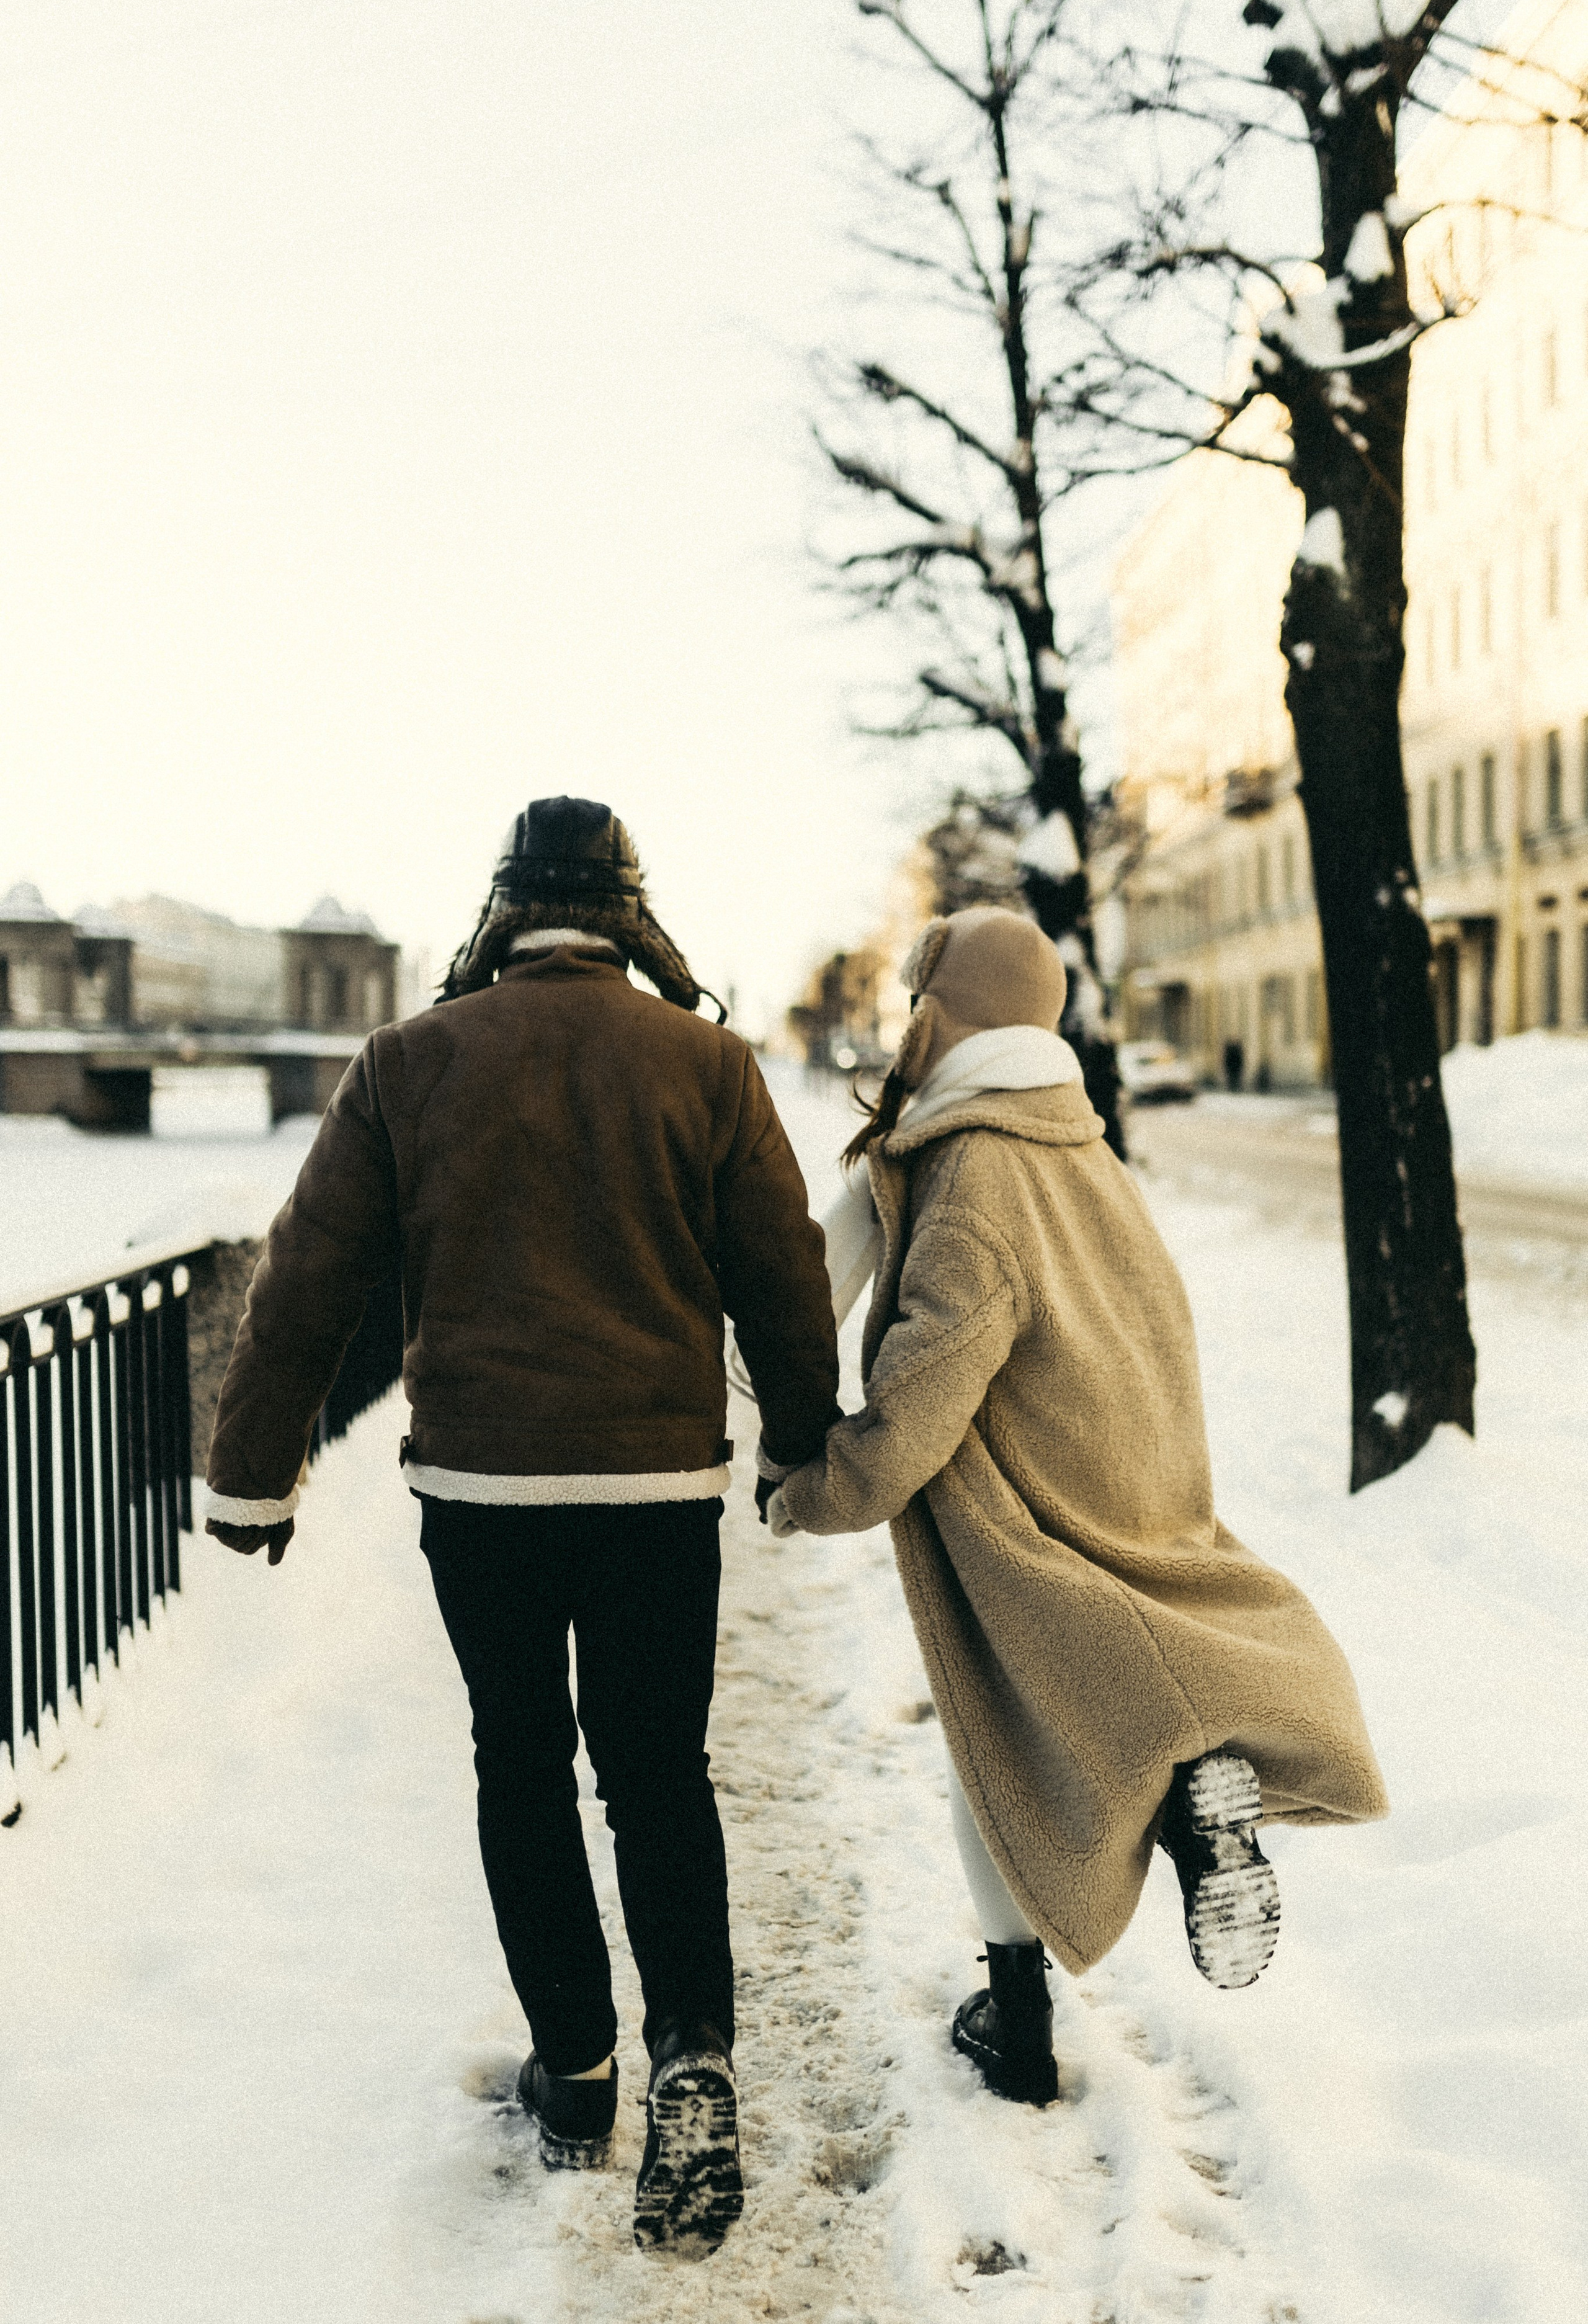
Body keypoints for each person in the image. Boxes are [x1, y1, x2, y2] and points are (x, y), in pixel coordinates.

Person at [202, 796, 841, 2256]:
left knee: (522, 1765)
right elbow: (782, 1274)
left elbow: (307, 1282)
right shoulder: (709, 1064)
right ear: (627, 914)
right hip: (652, 1488)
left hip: (482, 1492)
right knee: (658, 1774)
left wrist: (253, 1475)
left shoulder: (406, 1064)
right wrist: (801, 1444)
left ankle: (576, 2076)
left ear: (499, 912)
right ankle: (694, 2052)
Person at [763, 907, 1386, 2107]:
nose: (904, 1026)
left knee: (994, 1758)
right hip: (1129, 1475)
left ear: (949, 1015)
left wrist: (816, 1490)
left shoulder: (977, 1169)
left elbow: (926, 1388)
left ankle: (1022, 2018)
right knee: (1098, 1701)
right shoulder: (1080, 1150)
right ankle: (1201, 1801)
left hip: (1020, 1503)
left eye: (916, 1004)